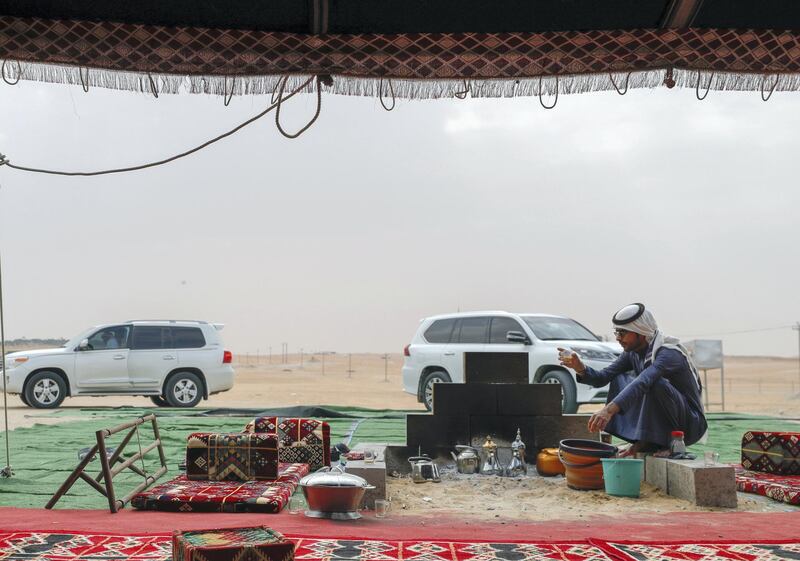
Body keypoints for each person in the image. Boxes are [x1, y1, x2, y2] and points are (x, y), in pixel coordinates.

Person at [559, 303, 707, 457]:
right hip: (667, 416)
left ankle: (671, 444)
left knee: (653, 383)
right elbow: (602, 378)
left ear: (641, 333)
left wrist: (608, 410)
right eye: (617, 332)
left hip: (690, 425)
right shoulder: (632, 353)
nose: (618, 338)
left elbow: (644, 381)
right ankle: (645, 441)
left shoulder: (669, 353)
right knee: (619, 377)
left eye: (623, 333)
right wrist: (580, 368)